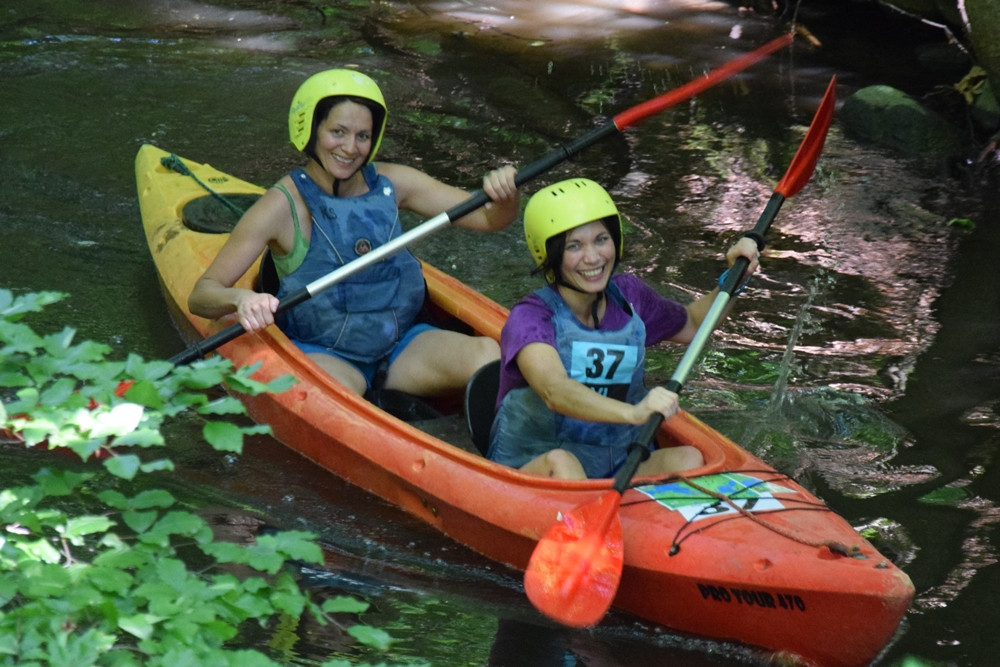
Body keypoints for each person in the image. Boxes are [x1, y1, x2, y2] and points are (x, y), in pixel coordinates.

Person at [189, 69, 520, 397]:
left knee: (487, 356)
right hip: (327, 353)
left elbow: (490, 219)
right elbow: (202, 295)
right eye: (338, 132)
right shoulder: (281, 206)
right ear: (312, 130)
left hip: (403, 344)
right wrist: (241, 299)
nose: (350, 147)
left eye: (363, 135)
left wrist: (505, 194)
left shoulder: (395, 183)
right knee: (338, 397)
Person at [487, 178, 760, 479]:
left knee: (689, 459)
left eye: (601, 239)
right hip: (538, 468)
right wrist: (634, 413)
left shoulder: (629, 296)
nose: (593, 257)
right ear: (550, 255)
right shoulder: (530, 317)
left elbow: (695, 324)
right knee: (563, 463)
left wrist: (735, 280)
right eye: (574, 246)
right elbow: (556, 391)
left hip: (617, 463)